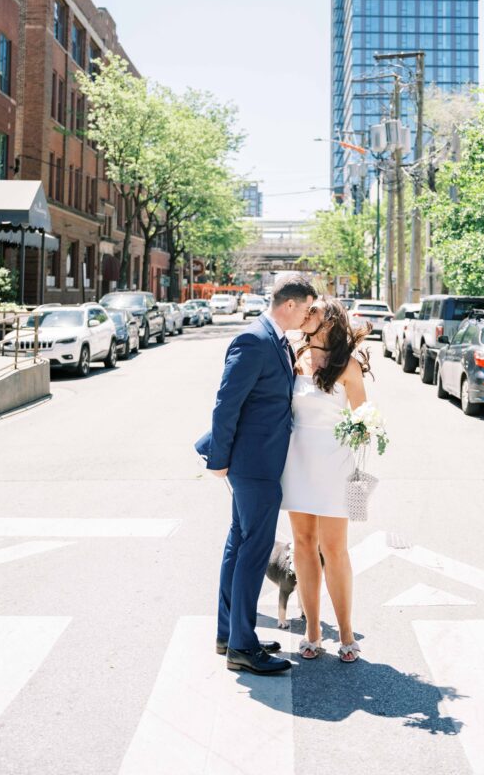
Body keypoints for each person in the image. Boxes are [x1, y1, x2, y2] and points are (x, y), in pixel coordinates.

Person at [195, 273, 317, 675]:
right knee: (253, 550)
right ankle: (243, 648)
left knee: (239, 545)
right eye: (307, 307)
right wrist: (219, 459)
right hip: (252, 464)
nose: (308, 315)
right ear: (290, 304)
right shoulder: (254, 340)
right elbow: (226, 403)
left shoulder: (276, 340)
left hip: (259, 461)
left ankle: (230, 634)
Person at [281, 297, 371, 663]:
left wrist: (364, 428)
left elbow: (364, 418)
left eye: (314, 311)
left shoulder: (348, 366)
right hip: (296, 463)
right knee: (303, 544)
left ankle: (346, 633)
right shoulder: (293, 358)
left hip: (336, 466)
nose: (306, 314)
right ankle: (312, 631)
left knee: (335, 550)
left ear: (330, 321)